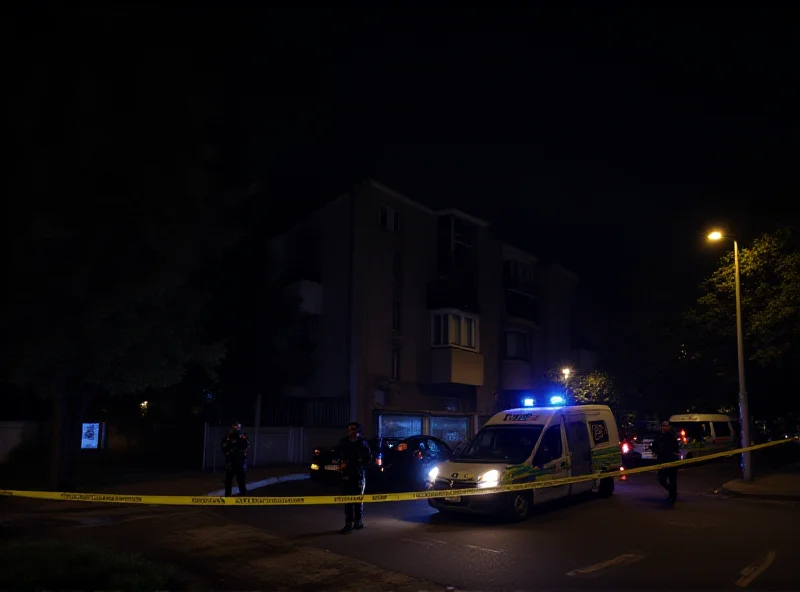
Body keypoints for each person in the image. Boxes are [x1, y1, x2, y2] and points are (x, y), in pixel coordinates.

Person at [336, 421, 372, 534]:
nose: (351, 430)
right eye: (349, 428)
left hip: (359, 474)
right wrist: (340, 463)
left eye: (354, 429)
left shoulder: (362, 443)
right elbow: (337, 454)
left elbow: (368, 458)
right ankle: (349, 523)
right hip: (347, 474)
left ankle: (358, 521)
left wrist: (357, 463)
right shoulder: (343, 442)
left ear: (358, 431)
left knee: (358, 499)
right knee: (348, 499)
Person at [651, 420, 680, 504]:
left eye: (666, 426)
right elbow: (654, 446)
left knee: (672, 480)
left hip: (671, 461)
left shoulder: (672, 437)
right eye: (663, 426)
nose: (664, 427)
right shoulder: (658, 436)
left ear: (669, 427)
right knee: (662, 480)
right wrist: (655, 451)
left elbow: (676, 449)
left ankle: (673, 497)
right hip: (662, 461)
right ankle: (672, 492)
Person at [221, 421, 250, 497]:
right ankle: (227, 498)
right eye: (235, 426)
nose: (236, 428)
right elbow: (224, 447)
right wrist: (229, 451)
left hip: (240, 461)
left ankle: (243, 497)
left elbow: (246, 445)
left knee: (241, 480)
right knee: (228, 481)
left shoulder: (243, 436)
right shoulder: (228, 436)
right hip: (230, 462)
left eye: (238, 426)